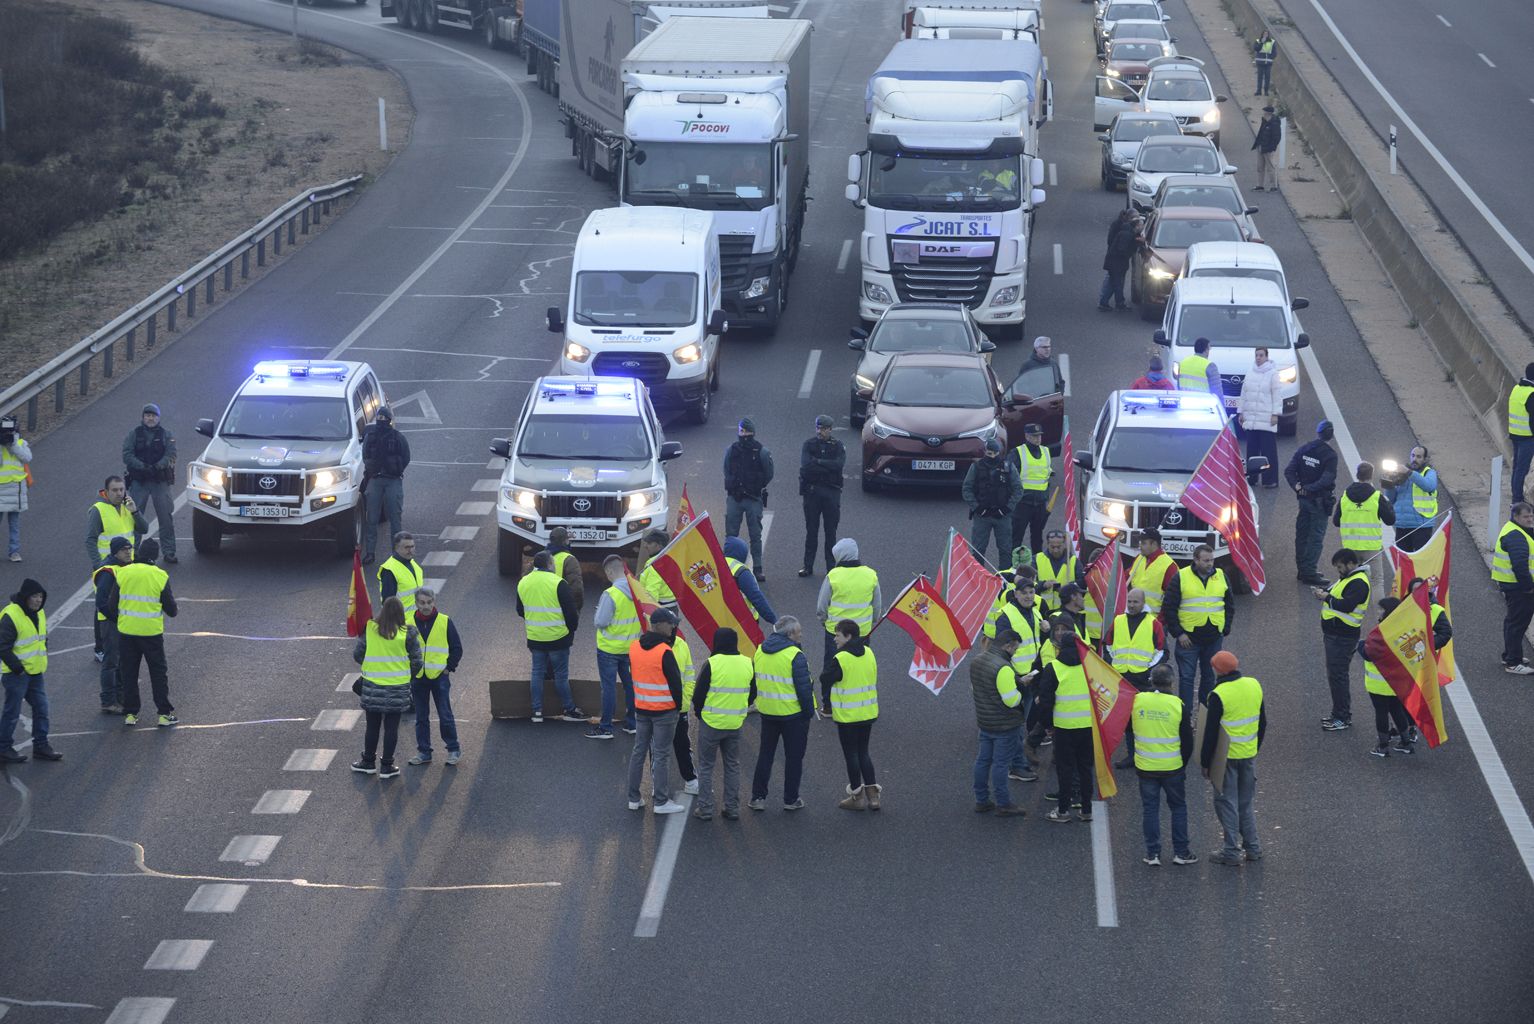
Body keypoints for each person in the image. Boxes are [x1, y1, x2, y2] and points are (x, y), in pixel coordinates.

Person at [1201, 651, 1266, 865]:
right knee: (1245, 803)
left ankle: (1230, 851)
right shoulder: (1254, 684)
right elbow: (1263, 722)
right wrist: (1253, 747)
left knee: (1225, 803)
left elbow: (1210, 734)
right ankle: (1253, 847)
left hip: (1226, 758)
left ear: (1218, 670)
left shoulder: (1219, 694)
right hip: (1248, 754)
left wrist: (1205, 763)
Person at [350, 596, 422, 780]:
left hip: (372, 686)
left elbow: (358, 654)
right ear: (400, 614)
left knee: (372, 726)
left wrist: (372, 668)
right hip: (398, 688)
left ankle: (367, 762)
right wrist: (406, 675)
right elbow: (417, 662)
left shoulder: (371, 629)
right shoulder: (408, 634)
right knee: (391, 728)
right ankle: (387, 766)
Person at [626, 607, 687, 815]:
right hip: (664, 711)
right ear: (661, 626)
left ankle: (633, 798)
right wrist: (678, 708)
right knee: (661, 755)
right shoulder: (665, 652)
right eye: (671, 624)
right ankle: (661, 801)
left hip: (641, 708)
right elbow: (676, 685)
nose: (674, 627)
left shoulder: (634, 647)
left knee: (638, 752)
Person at [1032, 618, 1094, 823]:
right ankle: (1086, 810)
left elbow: (1046, 702)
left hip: (1064, 728)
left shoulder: (1054, 668)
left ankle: (1063, 810)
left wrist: (1048, 726)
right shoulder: (1089, 666)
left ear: (1058, 647)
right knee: (1085, 768)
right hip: (1087, 727)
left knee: (1065, 769)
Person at [1133, 663, 1195, 866]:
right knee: (1178, 807)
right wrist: (1183, 764)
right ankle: (1181, 852)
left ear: (1152, 680)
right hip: (1172, 767)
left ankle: (1153, 854)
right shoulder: (1178, 704)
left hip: (1146, 766)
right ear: (1171, 682)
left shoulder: (1138, 700)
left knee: (1150, 809)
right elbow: (1187, 741)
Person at [691, 628, 756, 821]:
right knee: (732, 765)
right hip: (735, 723)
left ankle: (705, 808)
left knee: (706, 766)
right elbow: (753, 693)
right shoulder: (747, 663)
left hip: (711, 723)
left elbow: (698, 694)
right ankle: (732, 808)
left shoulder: (712, 663)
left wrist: (700, 713)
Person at [751, 616, 814, 812]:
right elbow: (804, 689)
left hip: (768, 712)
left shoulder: (760, 650)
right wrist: (808, 713)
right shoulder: (795, 655)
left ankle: (757, 797)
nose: (801, 634)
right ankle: (791, 799)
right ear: (789, 634)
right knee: (793, 758)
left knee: (766, 755)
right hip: (792, 714)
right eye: (798, 632)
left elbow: (755, 680)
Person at [1161, 544, 1233, 714]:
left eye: (1212, 560)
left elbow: (1229, 604)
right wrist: (1179, 634)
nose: (1210, 564)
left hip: (1213, 638)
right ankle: (1185, 717)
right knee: (1186, 679)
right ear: (1195, 560)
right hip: (1189, 640)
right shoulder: (1181, 577)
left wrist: (1226, 627)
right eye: (1206, 560)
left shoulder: (1221, 576)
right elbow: (1169, 607)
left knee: (1209, 677)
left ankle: (1204, 716)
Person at [114, 539, 178, 727]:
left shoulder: (123, 573)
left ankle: (131, 713)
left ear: (138, 553)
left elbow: (111, 605)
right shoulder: (159, 575)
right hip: (151, 634)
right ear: (156, 556)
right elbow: (171, 610)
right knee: (158, 673)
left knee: (129, 673)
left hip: (127, 632)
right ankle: (164, 714)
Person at [515, 551, 584, 724]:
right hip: (558, 638)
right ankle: (569, 709)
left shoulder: (523, 582)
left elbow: (519, 609)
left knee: (537, 673)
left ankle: (537, 711)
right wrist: (571, 630)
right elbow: (571, 612)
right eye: (553, 563)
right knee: (561, 676)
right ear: (549, 564)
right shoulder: (558, 583)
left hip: (535, 637)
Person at [821, 618, 881, 810]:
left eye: (837, 635)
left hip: (848, 716)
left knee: (851, 755)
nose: (834, 639)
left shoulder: (841, 658)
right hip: (868, 712)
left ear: (848, 636)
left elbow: (826, 678)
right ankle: (873, 796)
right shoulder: (869, 652)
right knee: (864, 752)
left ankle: (857, 797)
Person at [970, 628, 1029, 816]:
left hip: (985, 721)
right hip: (1005, 724)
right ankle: (1003, 803)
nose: (1014, 653)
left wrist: (1015, 681)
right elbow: (1011, 700)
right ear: (1007, 645)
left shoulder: (977, 661)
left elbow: (979, 689)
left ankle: (981, 800)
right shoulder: (1003, 667)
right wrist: (1022, 691)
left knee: (983, 760)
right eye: (1015, 649)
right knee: (1001, 764)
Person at [0, 578, 58, 763]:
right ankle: (3, 748)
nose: (38, 600)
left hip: (35, 672)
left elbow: (42, 637)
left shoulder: (39, 613)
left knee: (42, 708)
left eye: (41, 596)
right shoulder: (11, 615)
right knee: (12, 712)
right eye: (34, 596)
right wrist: (18, 669)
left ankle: (41, 746)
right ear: (25, 597)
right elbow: (2, 646)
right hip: (16, 674)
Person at [1109, 587, 1167, 769]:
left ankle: (1147, 753)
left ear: (1143, 603)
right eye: (1130, 601)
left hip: (1142, 679)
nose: (1132, 605)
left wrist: (1148, 671)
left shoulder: (1153, 623)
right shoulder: (1118, 621)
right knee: (1127, 720)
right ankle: (1132, 755)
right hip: (1122, 678)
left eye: (1136, 602)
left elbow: (1161, 650)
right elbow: (1108, 645)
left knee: (1143, 717)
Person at [1314, 548, 1370, 730]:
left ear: (1351, 564)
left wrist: (1326, 597)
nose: (1338, 570)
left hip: (1342, 638)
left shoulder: (1359, 583)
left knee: (1338, 677)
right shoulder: (1347, 578)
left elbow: (1346, 605)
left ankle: (1342, 717)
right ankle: (1338, 714)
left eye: (1340, 567)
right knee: (1335, 676)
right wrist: (1326, 593)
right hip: (1335, 636)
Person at [407, 587, 462, 767]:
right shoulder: (408, 623)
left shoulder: (445, 621)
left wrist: (448, 669)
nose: (426, 606)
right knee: (421, 717)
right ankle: (424, 752)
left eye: (429, 602)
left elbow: (457, 648)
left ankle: (453, 749)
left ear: (434, 602)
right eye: (422, 603)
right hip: (418, 677)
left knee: (445, 714)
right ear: (416, 603)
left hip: (439, 677)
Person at [1360, 597, 1418, 758]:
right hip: (1398, 682)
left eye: (1380, 609)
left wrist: (1360, 645)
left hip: (1379, 683)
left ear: (1388, 612)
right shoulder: (1405, 629)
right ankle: (1406, 743)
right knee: (1397, 710)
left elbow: (1369, 653)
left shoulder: (1382, 631)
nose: (1378, 611)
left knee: (1381, 712)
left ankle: (1383, 746)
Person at [591, 555, 640, 740]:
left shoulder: (610, 594)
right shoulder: (636, 590)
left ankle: (605, 728)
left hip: (609, 650)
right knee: (631, 686)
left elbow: (601, 622)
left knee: (609, 688)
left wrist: (597, 613)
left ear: (610, 571)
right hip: (631, 649)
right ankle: (632, 723)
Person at [1285, 420, 1339, 585]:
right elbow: (1327, 479)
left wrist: (1299, 487)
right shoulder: (1330, 455)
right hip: (1319, 502)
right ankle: (1309, 572)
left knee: (1302, 535)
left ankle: (1302, 570)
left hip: (1304, 500)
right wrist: (1309, 488)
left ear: (1318, 432)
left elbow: (1289, 471)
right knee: (1315, 537)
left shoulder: (1304, 449)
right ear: (1331, 435)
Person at [122, 403, 178, 564]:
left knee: (165, 518)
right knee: (135, 517)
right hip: (139, 482)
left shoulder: (166, 435)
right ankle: (131, 552)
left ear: (158, 418)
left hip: (160, 482)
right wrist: (142, 467)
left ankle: (169, 552)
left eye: (153, 415)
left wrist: (158, 466)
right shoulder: (134, 434)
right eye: (147, 415)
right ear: (143, 417)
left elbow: (172, 454)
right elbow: (126, 455)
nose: (150, 418)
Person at [817, 537, 880, 672]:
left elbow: (822, 607)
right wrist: (871, 622)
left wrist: (824, 622)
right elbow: (877, 606)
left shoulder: (833, 575)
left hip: (836, 632)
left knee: (832, 669)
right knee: (859, 668)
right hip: (862, 632)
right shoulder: (870, 575)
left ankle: (829, 693)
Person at [723, 418, 773, 579]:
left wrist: (756, 485)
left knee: (755, 534)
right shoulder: (732, 450)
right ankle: (729, 565)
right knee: (731, 534)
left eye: (746, 431)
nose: (743, 434)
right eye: (741, 431)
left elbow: (769, 474)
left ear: (752, 432)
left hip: (753, 498)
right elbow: (726, 469)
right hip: (735, 497)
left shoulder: (761, 451)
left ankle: (757, 567)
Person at [360, 406, 410, 565]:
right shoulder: (371, 436)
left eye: (384, 418)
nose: (381, 421)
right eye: (379, 418)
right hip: (375, 480)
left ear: (389, 420)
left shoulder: (397, 437)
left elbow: (406, 457)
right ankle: (370, 553)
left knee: (395, 518)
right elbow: (365, 455)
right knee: (371, 518)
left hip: (393, 480)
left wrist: (395, 470)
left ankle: (397, 554)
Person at [962, 438, 1022, 568]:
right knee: (978, 550)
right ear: (985, 452)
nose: (993, 456)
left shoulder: (1008, 467)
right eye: (989, 453)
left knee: (1006, 549)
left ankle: (1004, 579)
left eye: (995, 453)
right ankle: (978, 579)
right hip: (982, 516)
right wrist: (977, 508)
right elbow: (967, 489)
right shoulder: (976, 467)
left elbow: (1018, 489)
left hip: (1003, 516)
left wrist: (1007, 508)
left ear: (999, 452)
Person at [799, 414, 845, 578]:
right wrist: (826, 465)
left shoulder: (837, 446)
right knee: (811, 531)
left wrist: (817, 462)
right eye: (818, 428)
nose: (820, 431)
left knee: (830, 532)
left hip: (831, 493)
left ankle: (831, 568)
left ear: (830, 430)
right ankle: (807, 566)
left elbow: (838, 465)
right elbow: (806, 466)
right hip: (812, 493)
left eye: (824, 428)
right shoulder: (808, 444)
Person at [1333, 461, 1394, 586]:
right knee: (1377, 581)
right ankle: (1377, 606)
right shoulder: (1377, 497)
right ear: (1371, 476)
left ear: (1357, 475)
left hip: (1350, 548)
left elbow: (1336, 521)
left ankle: (1351, 605)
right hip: (1371, 548)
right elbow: (1390, 520)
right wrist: (1388, 505)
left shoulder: (1345, 496)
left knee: (1350, 581)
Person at [93, 537, 134, 714]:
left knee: (122, 661)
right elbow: (101, 602)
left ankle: (120, 697)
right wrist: (117, 619)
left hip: (120, 621)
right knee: (111, 663)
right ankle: (108, 701)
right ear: (115, 552)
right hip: (111, 623)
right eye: (124, 549)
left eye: (129, 548)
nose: (128, 552)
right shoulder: (108, 571)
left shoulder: (123, 567)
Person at [1493, 502, 1534, 674]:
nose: (1530, 519)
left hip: (1511, 585)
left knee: (1512, 622)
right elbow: (1520, 566)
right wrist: (1529, 588)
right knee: (1517, 624)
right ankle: (1513, 662)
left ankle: (1510, 654)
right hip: (1519, 588)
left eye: (1531, 516)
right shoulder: (1516, 536)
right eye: (1526, 516)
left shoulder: (1512, 528)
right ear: (1516, 516)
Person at [1237, 347, 1282, 486]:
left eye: (1261, 355)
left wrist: (1275, 414)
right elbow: (1244, 394)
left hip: (1266, 419)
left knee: (1268, 451)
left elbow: (1277, 395)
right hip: (1251, 419)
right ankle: (1252, 478)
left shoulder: (1273, 374)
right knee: (1252, 450)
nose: (1258, 358)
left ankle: (1270, 480)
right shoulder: (1250, 372)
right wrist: (1241, 412)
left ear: (1267, 357)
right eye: (1256, 355)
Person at [1383, 446, 1439, 552]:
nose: (1414, 459)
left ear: (1425, 459)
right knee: (1404, 563)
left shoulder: (1429, 473)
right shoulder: (1400, 474)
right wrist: (1389, 482)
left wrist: (1409, 473)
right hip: (1402, 524)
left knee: (1421, 561)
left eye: (1418, 457)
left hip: (1421, 525)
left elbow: (1429, 486)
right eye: (1413, 456)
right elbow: (1390, 498)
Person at [86, 475, 148, 569]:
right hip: (109, 567)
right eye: (115, 490)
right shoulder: (98, 510)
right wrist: (98, 565)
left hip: (128, 564)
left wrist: (135, 512)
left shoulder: (128, 506)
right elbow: (90, 539)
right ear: (106, 492)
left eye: (121, 490)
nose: (119, 493)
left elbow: (144, 529)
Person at [1010, 421, 1054, 555]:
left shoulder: (1046, 451)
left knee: (1037, 537)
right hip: (1023, 502)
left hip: (1040, 503)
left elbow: (1047, 472)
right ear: (1027, 436)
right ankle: (1013, 567)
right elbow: (1011, 476)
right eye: (1034, 436)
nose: (1038, 438)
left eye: (1039, 436)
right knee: (1016, 537)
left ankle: (1038, 566)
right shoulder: (1017, 452)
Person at [723, 536, 777, 626]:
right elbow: (756, 597)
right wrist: (774, 620)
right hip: (745, 621)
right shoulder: (741, 571)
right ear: (741, 553)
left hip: (723, 620)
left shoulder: (716, 567)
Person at [0, 415, 32, 563]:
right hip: (2, 489)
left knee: (14, 525)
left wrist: (12, 445)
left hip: (15, 490)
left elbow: (27, 458)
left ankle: (14, 551)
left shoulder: (20, 443)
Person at [1099, 209, 1140, 312]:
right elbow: (1121, 248)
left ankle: (1106, 302)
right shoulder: (1124, 230)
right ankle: (1116, 303)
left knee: (1115, 282)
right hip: (1116, 262)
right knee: (1115, 282)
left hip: (1116, 261)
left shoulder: (1126, 230)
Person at [1129, 529, 1178, 614]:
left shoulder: (1169, 566)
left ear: (1154, 544)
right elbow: (1125, 578)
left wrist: (1160, 621)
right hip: (1134, 617)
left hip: (1154, 621)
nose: (1140, 546)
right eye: (1140, 543)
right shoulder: (1139, 558)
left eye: (1143, 543)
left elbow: (1173, 599)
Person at [1034, 530, 1081, 618]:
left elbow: (1082, 583)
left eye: (1059, 547)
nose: (1055, 550)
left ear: (1064, 545)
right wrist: (1043, 584)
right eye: (1052, 547)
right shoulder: (1037, 559)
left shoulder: (1073, 561)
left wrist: (1068, 588)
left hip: (1066, 613)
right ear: (1047, 544)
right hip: (1042, 612)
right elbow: (1030, 583)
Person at [377, 531, 424, 617]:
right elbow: (388, 603)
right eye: (407, 547)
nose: (411, 550)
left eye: (412, 546)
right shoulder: (389, 570)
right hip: (401, 624)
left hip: (417, 620)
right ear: (396, 548)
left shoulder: (413, 564)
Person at [1509, 364, 1534, 505]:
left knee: (1517, 468)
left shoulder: (1517, 388)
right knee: (1522, 469)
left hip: (1515, 434)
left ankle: (1516, 497)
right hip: (1527, 437)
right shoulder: (1531, 394)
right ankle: (1517, 499)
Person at [545, 526, 584, 614]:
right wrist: (576, 610)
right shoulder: (569, 560)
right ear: (565, 541)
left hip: (539, 613)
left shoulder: (540, 558)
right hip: (559, 612)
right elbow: (576, 589)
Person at [636, 528, 677, 613]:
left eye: (649, 543)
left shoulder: (655, 565)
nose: (645, 546)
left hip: (660, 611)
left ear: (659, 545)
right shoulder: (669, 559)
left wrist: (646, 613)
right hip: (671, 609)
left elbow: (651, 595)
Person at [1252, 107, 1281, 192]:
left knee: (1270, 167)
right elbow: (1260, 133)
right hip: (1261, 146)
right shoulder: (1264, 121)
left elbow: (1277, 138)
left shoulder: (1274, 123)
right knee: (1260, 167)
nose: (1263, 114)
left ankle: (1274, 186)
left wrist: (1271, 148)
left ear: (1268, 113)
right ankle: (1260, 185)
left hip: (1268, 148)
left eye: (1264, 112)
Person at [1253, 30, 1276, 96]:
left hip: (1268, 63)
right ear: (1262, 34)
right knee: (1260, 77)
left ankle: (1266, 91)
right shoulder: (1258, 41)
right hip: (1260, 62)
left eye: (1267, 34)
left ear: (1268, 35)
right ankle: (1258, 91)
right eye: (1264, 34)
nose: (1265, 35)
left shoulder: (1272, 42)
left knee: (1267, 77)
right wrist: (1261, 43)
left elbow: (1274, 52)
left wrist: (1271, 58)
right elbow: (1256, 49)